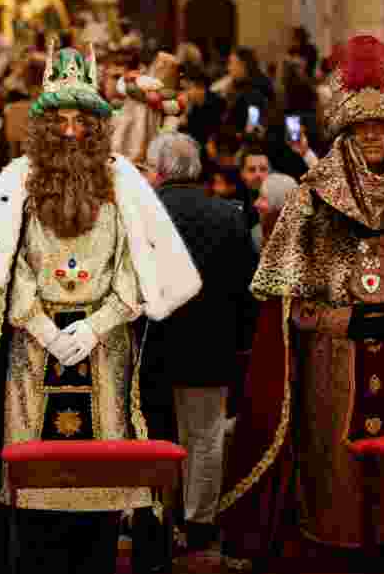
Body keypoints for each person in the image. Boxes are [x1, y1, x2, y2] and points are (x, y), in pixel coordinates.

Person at [219, 35, 384, 572]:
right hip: (332, 365)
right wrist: (343, 320)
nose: (369, 137)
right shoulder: (311, 198)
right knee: (334, 470)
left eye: (379, 128)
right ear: (342, 133)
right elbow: (288, 298)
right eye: (358, 129)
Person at [0, 44, 201, 573]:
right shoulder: (15, 179)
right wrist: (42, 326)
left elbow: (138, 265)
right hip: (33, 349)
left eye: (81, 121)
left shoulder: (125, 182)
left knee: (100, 485)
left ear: (97, 125)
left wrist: (96, 326)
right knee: (34, 487)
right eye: (60, 121)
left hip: (104, 347)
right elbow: (8, 267)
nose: (70, 132)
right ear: (44, 126)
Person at [137, 132, 256, 562]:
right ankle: (199, 521)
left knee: (153, 437)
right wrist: (241, 343)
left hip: (154, 344)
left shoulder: (143, 214)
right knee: (204, 438)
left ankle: (154, 519)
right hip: (212, 346)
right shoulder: (228, 214)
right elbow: (248, 288)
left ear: (160, 170)